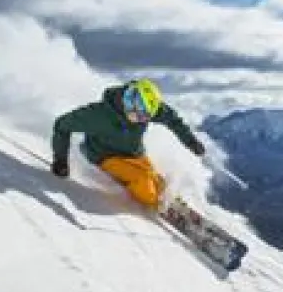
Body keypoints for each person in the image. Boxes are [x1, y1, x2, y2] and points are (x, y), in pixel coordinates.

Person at [50, 78, 205, 211]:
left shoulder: (149, 109)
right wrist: (60, 160)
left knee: (156, 180)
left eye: (142, 114)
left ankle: (169, 202)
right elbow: (62, 125)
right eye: (132, 104)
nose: (135, 114)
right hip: (105, 156)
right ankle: (157, 204)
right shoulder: (99, 115)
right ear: (128, 94)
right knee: (144, 182)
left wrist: (191, 141)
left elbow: (173, 121)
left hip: (134, 153)